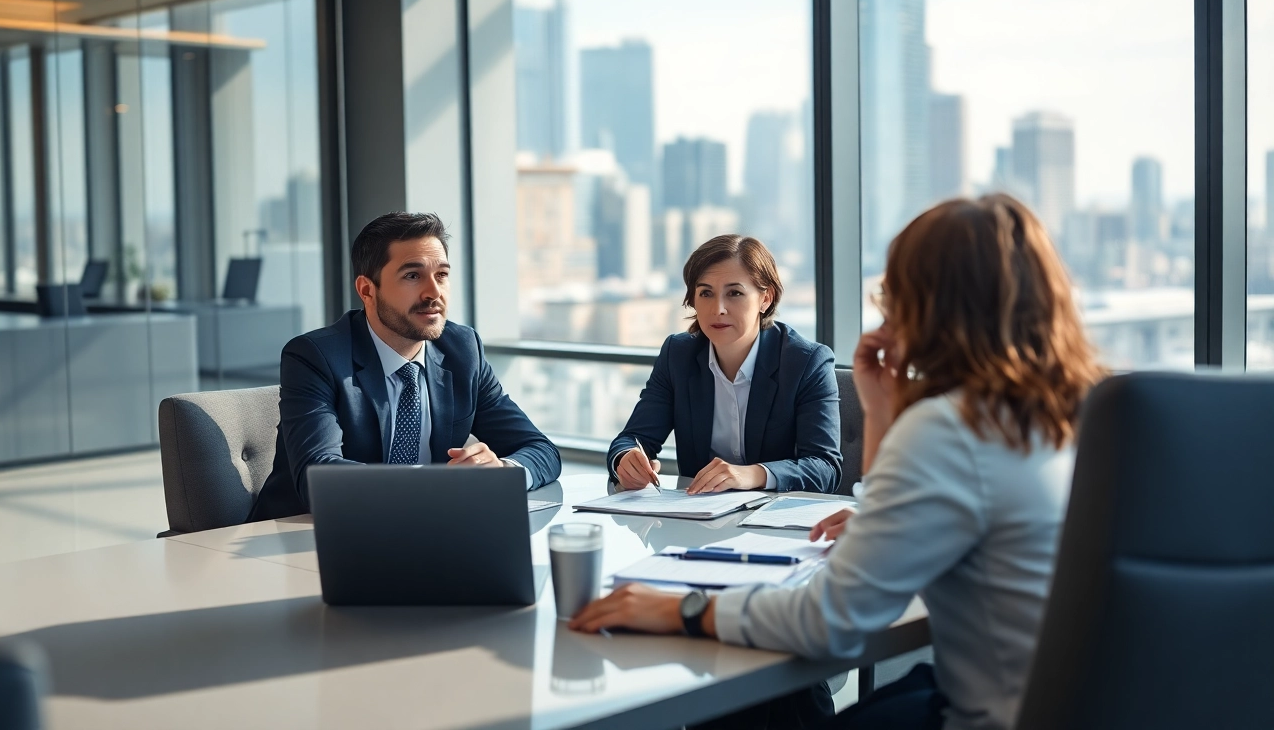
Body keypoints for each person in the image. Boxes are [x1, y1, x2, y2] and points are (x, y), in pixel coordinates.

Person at [570, 194, 1107, 730]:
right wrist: (882, 456)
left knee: (765, 698)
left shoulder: (948, 427)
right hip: (1064, 703)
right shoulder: (1060, 414)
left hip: (993, 714)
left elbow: (829, 621)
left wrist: (680, 610)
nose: (886, 307)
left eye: (894, 291)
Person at [249, 212, 561, 521]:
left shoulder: (462, 350)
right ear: (367, 290)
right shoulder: (316, 356)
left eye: (441, 275)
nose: (434, 292)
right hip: (303, 537)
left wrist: (501, 471)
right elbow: (318, 473)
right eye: (413, 276)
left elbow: (540, 449)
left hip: (422, 536)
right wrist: (433, 486)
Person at [606, 234, 843, 495]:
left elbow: (825, 468)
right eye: (706, 293)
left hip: (774, 524)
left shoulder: (807, 362)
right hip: (698, 522)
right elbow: (632, 439)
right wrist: (625, 461)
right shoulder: (678, 355)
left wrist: (752, 474)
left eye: (735, 293)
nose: (718, 308)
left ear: (765, 299)